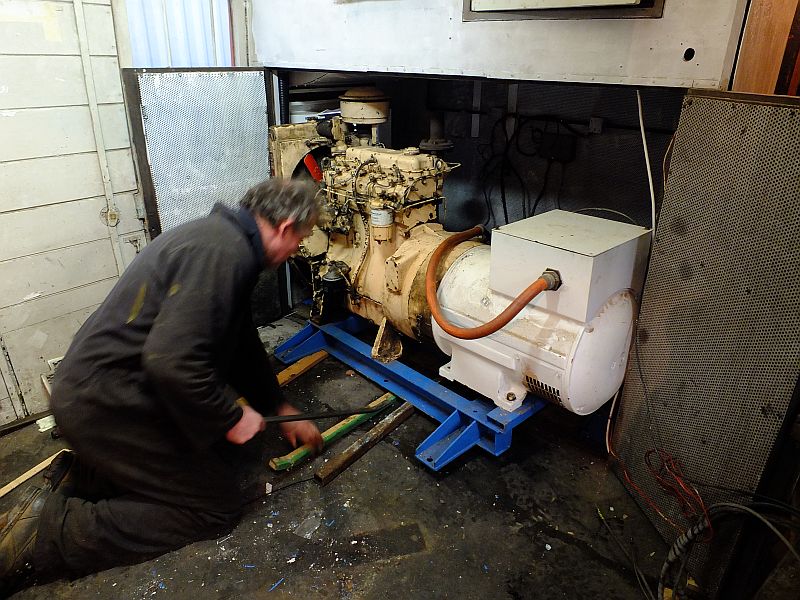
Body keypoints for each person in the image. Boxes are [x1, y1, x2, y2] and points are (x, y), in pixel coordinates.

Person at [0, 178, 324, 593]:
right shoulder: (224, 253)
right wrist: (229, 415)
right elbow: (170, 361)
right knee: (213, 508)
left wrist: (278, 408)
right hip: (107, 404)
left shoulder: (222, 241)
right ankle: (46, 536)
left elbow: (240, 343)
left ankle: (85, 476)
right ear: (285, 228)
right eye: (303, 237)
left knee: (226, 453)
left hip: (106, 393)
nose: (299, 248)